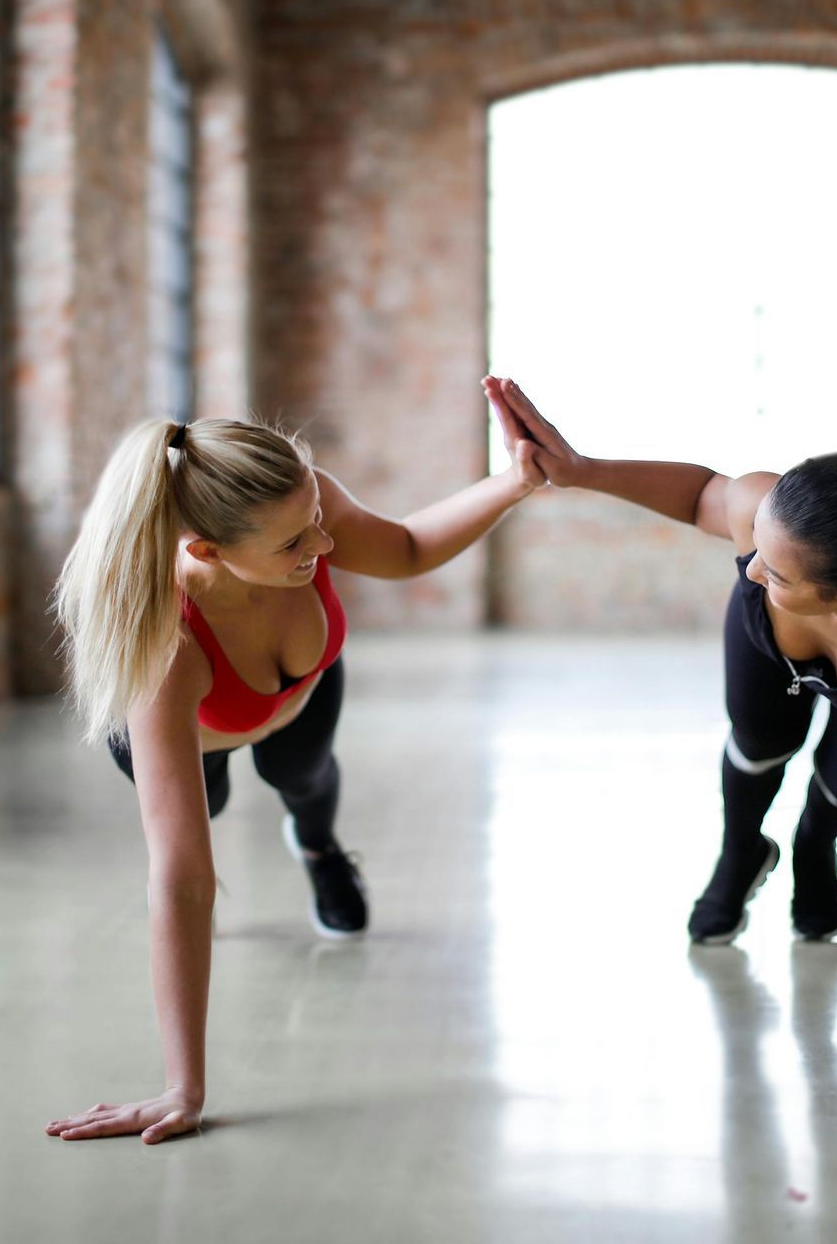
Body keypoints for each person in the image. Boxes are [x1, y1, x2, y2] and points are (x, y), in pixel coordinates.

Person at [485, 375, 837, 1139]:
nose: (751, 568)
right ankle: (740, 853)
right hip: (768, 648)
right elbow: (701, 498)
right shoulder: (770, 521)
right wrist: (580, 470)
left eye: (777, 572)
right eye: (760, 551)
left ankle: (811, 849)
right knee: (760, 750)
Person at [44, 407, 544, 1144]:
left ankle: (319, 848)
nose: (326, 541)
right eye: (296, 542)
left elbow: (404, 547)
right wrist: (184, 1088)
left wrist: (514, 483)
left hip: (298, 692)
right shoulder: (166, 649)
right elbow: (180, 875)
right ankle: (271, 820)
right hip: (199, 734)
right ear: (207, 551)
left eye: (316, 516)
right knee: (198, 821)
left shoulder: (302, 499)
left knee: (305, 780)